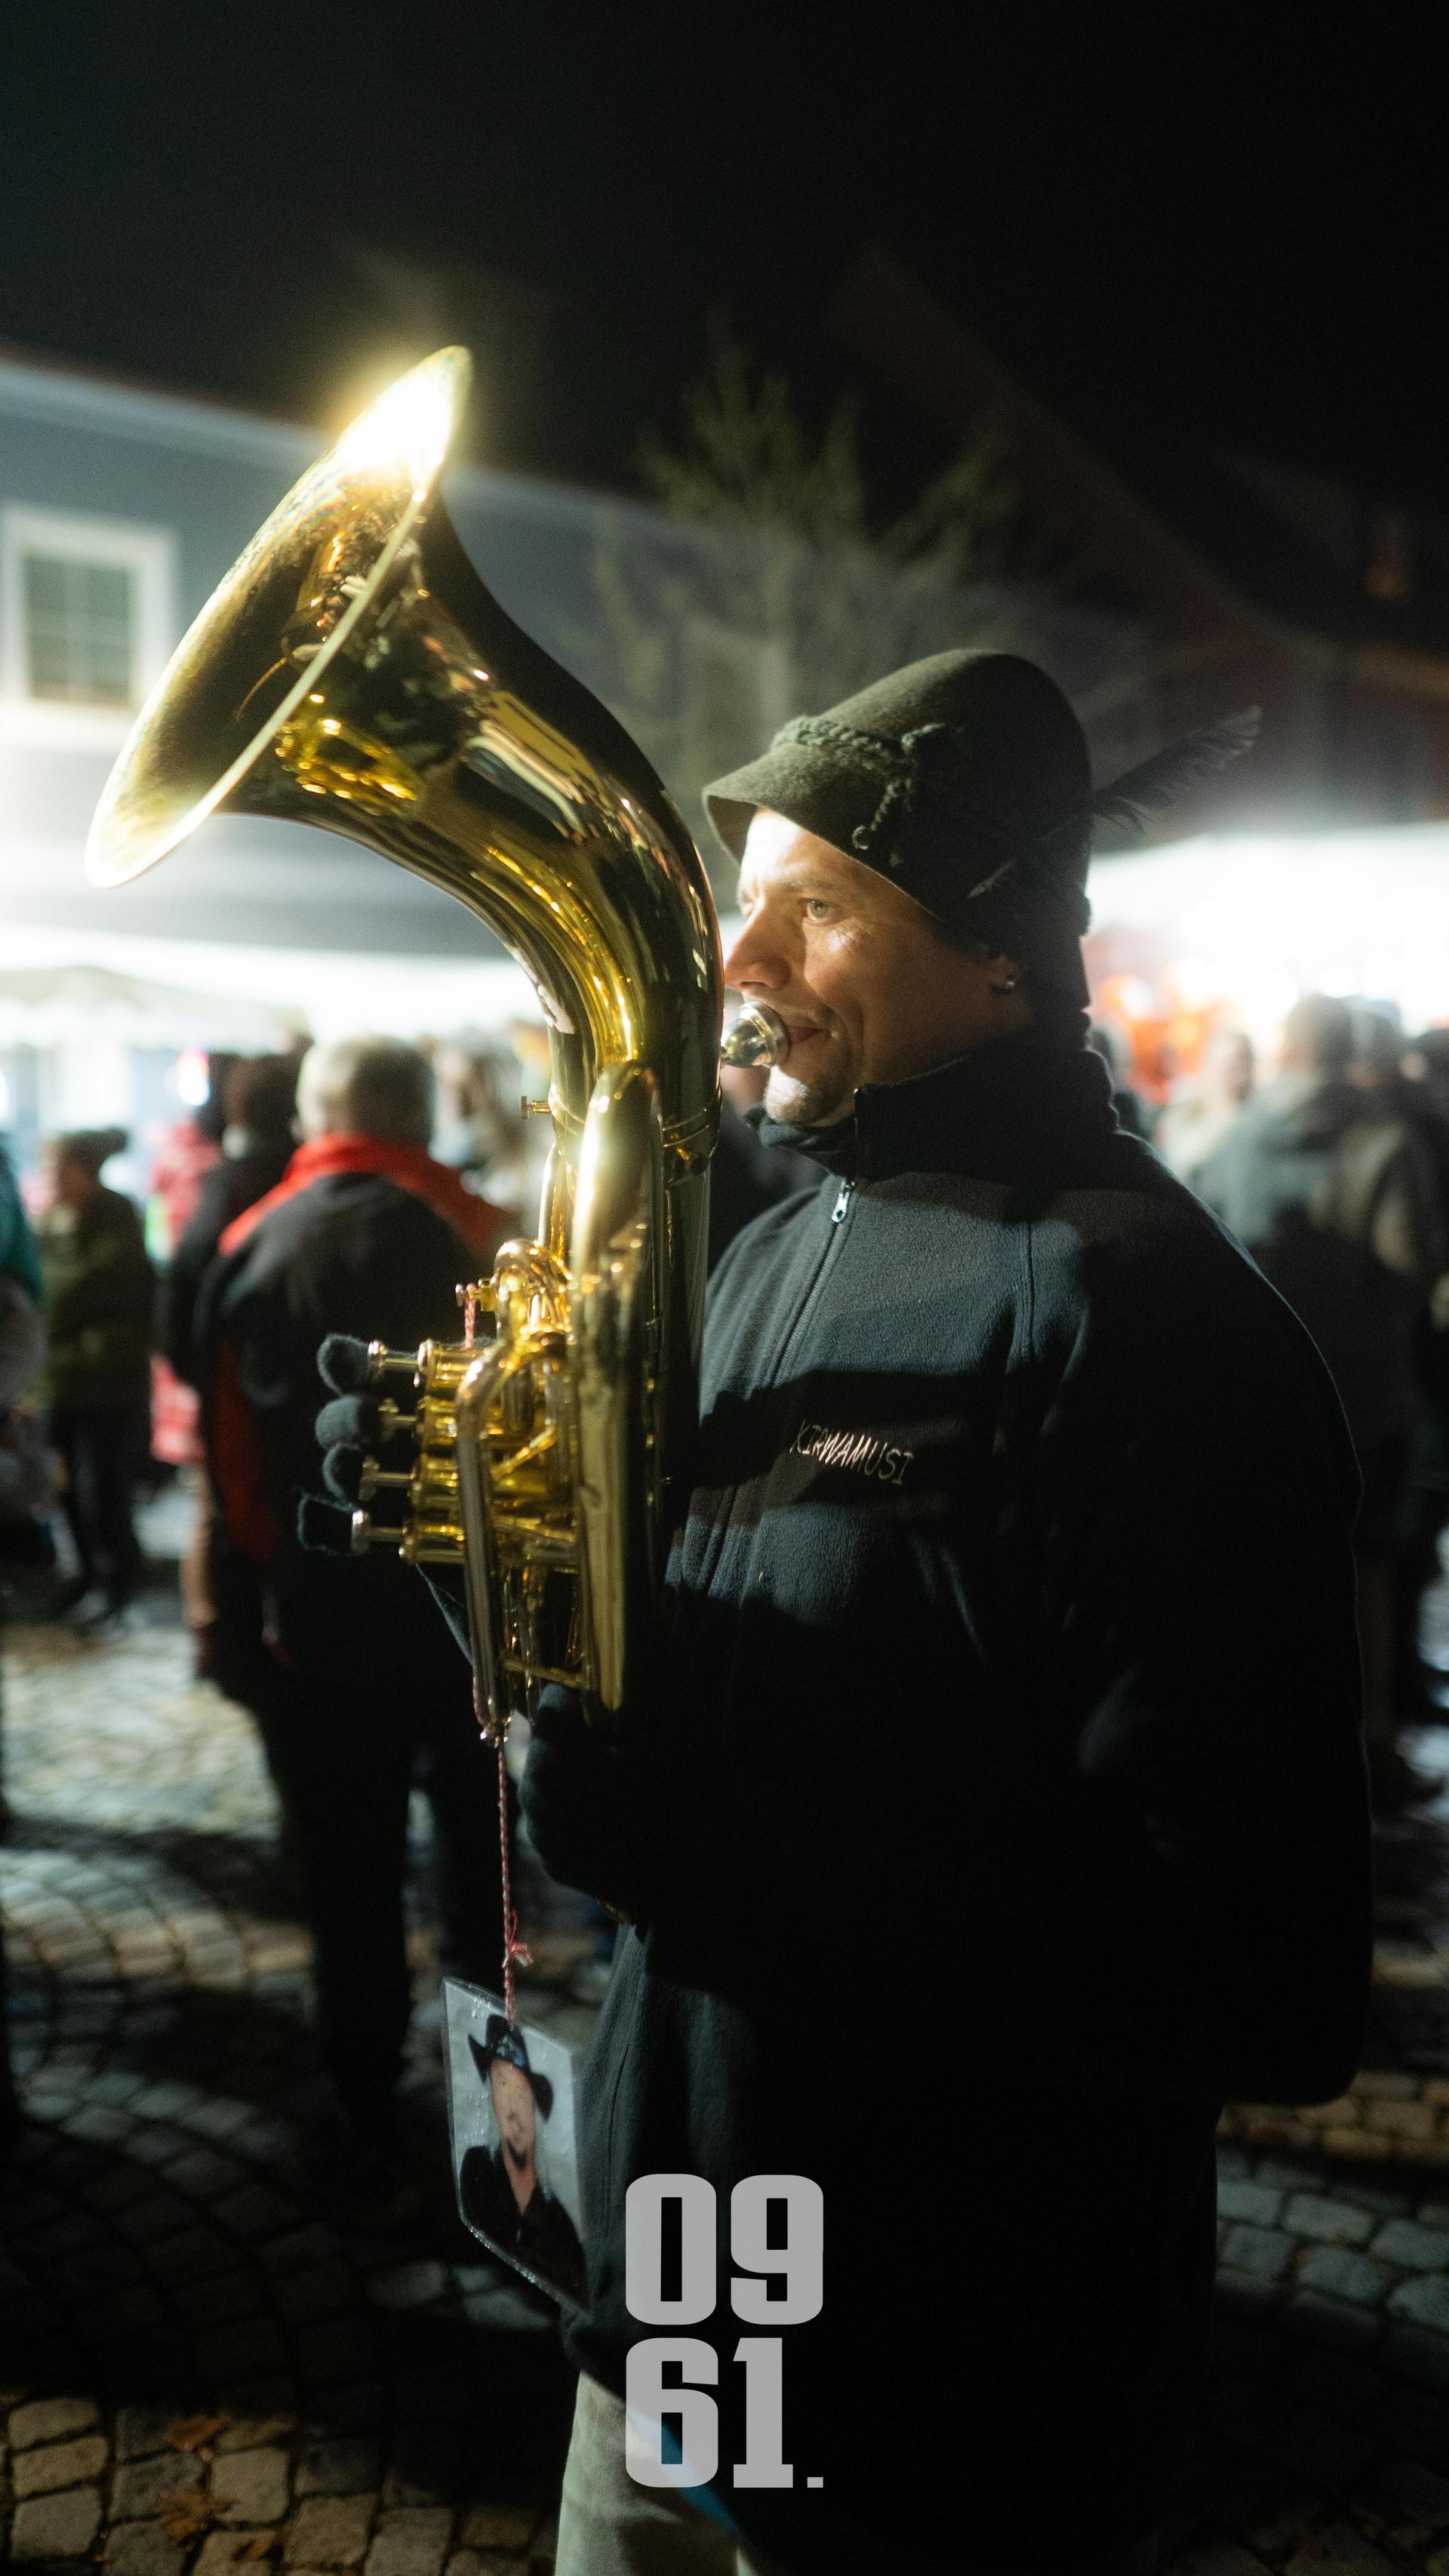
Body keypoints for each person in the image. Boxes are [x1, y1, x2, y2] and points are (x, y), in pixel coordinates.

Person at [319, 656, 1371, 2576]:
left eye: (817, 907)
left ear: (999, 948)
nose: (741, 959)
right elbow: (696, 1698)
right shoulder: (766, 1244)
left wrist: (718, 1859)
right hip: (691, 2279)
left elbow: (1263, 1980)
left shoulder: (1154, 1323)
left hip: (947, 2371)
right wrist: (491, 1561)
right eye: (753, 902)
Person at [196, 1037, 512, 2205]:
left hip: (319, 1620)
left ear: (319, 1116)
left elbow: (229, 1452)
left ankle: (364, 2105)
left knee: (349, 1875)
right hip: (467, 1620)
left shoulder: (250, 1239)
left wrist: (259, 1580)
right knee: (482, 1880)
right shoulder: (486, 1230)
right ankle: (505, 2129)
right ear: (418, 1115)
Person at [1197, 993, 1443, 1809]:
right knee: (1367, 1568)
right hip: (1367, 1393)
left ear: (1289, 1049)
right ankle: (1366, 1744)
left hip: (1259, 1391)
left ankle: (1275, 1741)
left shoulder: (1237, 1136)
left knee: (1268, 1565)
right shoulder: (1383, 1138)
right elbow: (1409, 1262)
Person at [36, 1130, 154, 1626]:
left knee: (103, 1490)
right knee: (65, 1489)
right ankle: (86, 1576)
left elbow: (70, 1290)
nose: (51, 1179)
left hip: (108, 1384)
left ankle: (117, 1584)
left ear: (84, 1171)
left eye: (58, 1168)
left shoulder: (115, 1219)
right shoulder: (51, 1221)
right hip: (60, 1381)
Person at [457, 2019, 586, 2304]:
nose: (512, 2109)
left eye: (520, 2092)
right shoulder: (478, 2171)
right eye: (502, 2086)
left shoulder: (558, 2219)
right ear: (492, 2097)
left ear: (534, 2105)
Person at [1154, 1024, 1255, 1186]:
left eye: (1240, 1067)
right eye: (1226, 1067)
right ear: (1206, 1067)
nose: (1237, 1078)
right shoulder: (1179, 1116)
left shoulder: (1253, 1128)